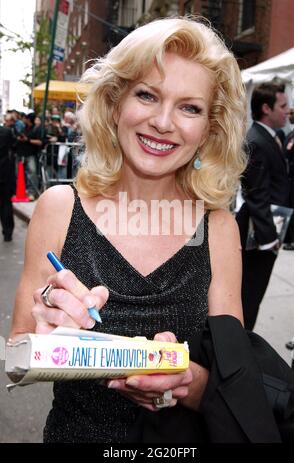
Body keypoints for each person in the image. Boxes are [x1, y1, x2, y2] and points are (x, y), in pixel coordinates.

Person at [10, 17, 247, 443]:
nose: (162, 121)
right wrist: (50, 326)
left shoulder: (219, 228)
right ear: (116, 102)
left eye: (189, 107)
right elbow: (18, 354)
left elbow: (235, 383)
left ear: (209, 127)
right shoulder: (60, 209)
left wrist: (181, 381)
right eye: (147, 95)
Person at [236, 83, 290, 330]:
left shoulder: (273, 136)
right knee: (249, 294)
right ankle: (242, 345)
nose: (288, 111)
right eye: (283, 106)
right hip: (258, 234)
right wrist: (269, 240)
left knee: (255, 293)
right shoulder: (256, 140)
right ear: (266, 108)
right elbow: (256, 194)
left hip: (269, 229)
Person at [283, 104, 294, 250]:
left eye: (292, 113)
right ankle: (290, 237)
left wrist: (288, 170)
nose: (289, 116)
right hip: (290, 179)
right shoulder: (292, 132)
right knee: (291, 206)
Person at [0, 121, 16, 241]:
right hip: (4, 171)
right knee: (6, 203)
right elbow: (14, 147)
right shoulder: (7, 132)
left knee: (6, 203)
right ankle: (8, 232)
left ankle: (8, 232)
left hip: (5, 171)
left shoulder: (6, 131)